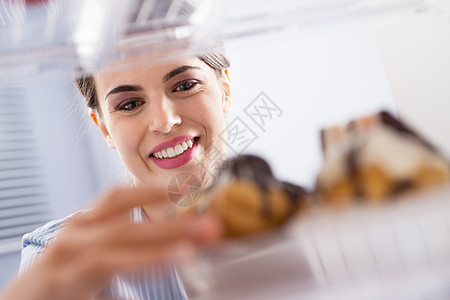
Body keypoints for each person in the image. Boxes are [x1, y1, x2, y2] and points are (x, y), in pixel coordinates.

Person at [0, 49, 233, 299]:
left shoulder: (280, 225)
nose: (164, 121)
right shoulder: (57, 260)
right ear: (104, 129)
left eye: (185, 85)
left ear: (225, 91)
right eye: (130, 104)